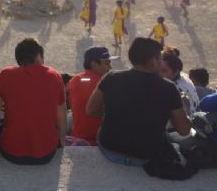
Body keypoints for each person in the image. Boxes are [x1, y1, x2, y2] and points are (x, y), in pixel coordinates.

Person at [86, 38, 190, 166]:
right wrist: (185, 108)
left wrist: (115, 114)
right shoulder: (169, 87)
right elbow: (184, 130)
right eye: (159, 58)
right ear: (152, 61)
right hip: (146, 155)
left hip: (109, 149)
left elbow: (91, 110)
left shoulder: (111, 77)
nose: (161, 62)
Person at [0, 38, 66, 165]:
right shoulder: (55, 76)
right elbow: (61, 114)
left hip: (11, 152)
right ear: (38, 56)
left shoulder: (6, 74)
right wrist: (62, 140)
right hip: (46, 153)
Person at [68, 47, 118, 145]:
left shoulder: (74, 80)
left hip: (77, 136)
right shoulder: (108, 82)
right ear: (94, 64)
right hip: (99, 140)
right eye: (107, 63)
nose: (110, 67)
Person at [159, 47, 200, 116]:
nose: (159, 73)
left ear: (176, 72)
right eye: (158, 69)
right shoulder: (184, 76)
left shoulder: (172, 88)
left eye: (164, 71)